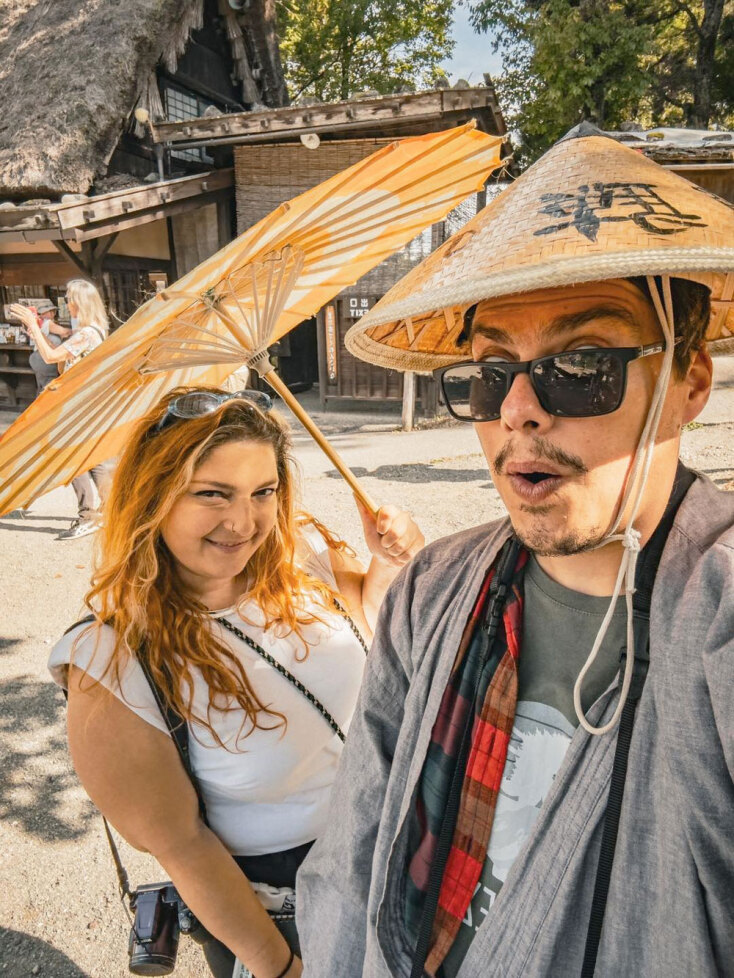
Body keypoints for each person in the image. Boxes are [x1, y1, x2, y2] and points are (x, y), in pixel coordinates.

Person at [297, 126, 734, 977]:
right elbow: (352, 859)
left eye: (583, 363)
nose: (518, 410)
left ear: (689, 384)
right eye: (492, 371)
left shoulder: (716, 611)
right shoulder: (431, 590)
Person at [48, 386, 424, 978]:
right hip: (282, 911)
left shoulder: (305, 555)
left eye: (263, 492)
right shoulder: (109, 662)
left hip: (394, 850)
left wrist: (389, 565)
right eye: (212, 494)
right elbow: (182, 845)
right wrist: (280, 968)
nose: (243, 523)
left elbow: (368, 634)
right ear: (153, 495)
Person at [11, 279, 111, 540]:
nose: (67, 302)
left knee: (72, 457)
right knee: (93, 459)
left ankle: (89, 516)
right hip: (86, 404)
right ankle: (105, 511)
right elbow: (59, 360)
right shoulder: (93, 331)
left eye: (69, 298)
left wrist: (34, 325)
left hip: (79, 405)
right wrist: (38, 332)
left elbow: (51, 358)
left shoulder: (87, 334)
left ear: (80, 302)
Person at [26, 298, 72, 393]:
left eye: (54, 311)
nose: (53, 314)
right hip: (44, 359)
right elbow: (65, 332)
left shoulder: (38, 323)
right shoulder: (47, 323)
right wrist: (76, 331)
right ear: (46, 312)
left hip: (39, 357)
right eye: (52, 311)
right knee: (50, 387)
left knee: (43, 386)